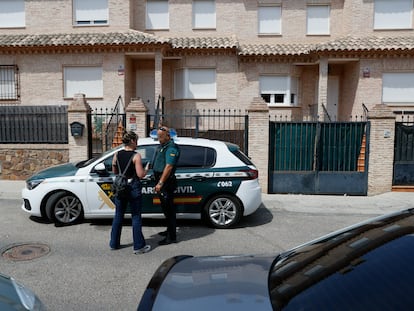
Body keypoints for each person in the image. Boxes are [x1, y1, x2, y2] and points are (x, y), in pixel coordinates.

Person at [110, 131, 151, 254]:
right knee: (136, 216)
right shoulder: (136, 156)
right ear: (132, 141)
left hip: (120, 187)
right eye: (136, 140)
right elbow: (140, 175)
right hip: (132, 186)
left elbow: (114, 170)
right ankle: (138, 246)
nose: (137, 143)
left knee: (118, 215)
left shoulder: (117, 154)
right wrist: (146, 169)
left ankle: (114, 243)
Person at [152, 125, 180, 245]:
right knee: (165, 209)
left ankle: (171, 237)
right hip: (161, 180)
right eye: (158, 136)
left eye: (161, 137)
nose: (159, 138)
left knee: (169, 210)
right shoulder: (163, 146)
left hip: (166, 182)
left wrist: (160, 183)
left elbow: (168, 167)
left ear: (168, 136)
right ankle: (169, 230)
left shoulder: (171, 148)